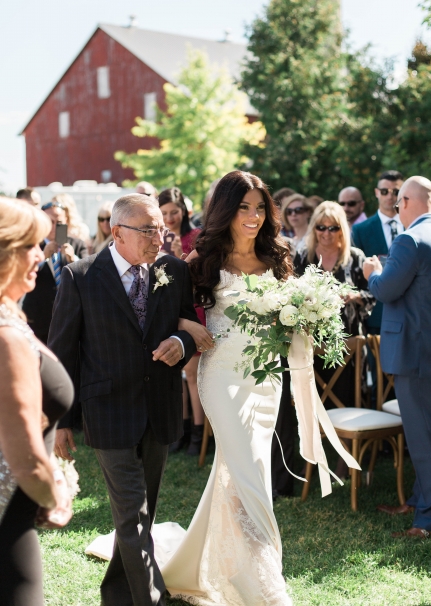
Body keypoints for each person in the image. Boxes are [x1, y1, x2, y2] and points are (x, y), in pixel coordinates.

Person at [49, 193, 199, 606]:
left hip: (159, 407)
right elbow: (61, 352)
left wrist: (180, 342)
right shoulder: (80, 276)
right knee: (132, 514)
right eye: (149, 230)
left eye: (162, 230)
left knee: (140, 515)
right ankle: (154, 599)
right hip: (107, 410)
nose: (159, 238)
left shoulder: (173, 270)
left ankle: (117, 594)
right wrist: (61, 420)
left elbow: (187, 324)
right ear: (117, 232)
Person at [160, 171, 295, 605]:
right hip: (221, 377)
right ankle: (265, 583)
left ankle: (214, 563)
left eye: (259, 208)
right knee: (248, 472)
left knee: (242, 471)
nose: (254, 216)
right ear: (226, 211)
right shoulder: (203, 259)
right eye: (244, 208)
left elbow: (287, 318)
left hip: (265, 379)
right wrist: (189, 327)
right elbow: (169, 313)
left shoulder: (277, 257)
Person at [363, 176, 431, 538]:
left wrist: (373, 272)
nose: (396, 207)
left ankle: (428, 520)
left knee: (425, 438)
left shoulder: (410, 239)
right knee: (428, 433)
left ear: (407, 201)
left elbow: (386, 289)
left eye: (398, 201)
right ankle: (423, 502)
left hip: (414, 352)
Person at [0, 197, 73, 606]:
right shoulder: (5, 337)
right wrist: (55, 493)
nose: (39, 254)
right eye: (28, 246)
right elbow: (26, 461)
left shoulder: (9, 315)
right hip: (8, 522)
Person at [295, 201, 375, 409]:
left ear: (342, 229)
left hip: (348, 340)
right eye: (321, 227)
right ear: (314, 228)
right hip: (311, 338)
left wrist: (353, 296)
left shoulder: (355, 257)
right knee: (314, 399)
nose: (326, 233)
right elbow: (291, 293)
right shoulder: (304, 256)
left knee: (347, 395)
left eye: (333, 228)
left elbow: (374, 293)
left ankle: (346, 439)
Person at [158, 187, 204, 455]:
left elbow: (195, 279)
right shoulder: (157, 238)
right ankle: (181, 429)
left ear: (184, 210)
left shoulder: (195, 237)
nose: (169, 217)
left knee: (192, 377)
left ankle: (198, 434)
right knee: (176, 375)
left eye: (174, 212)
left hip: (192, 309)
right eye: (164, 213)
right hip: (166, 312)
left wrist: (178, 257)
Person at [352, 170, 404, 393]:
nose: (390, 196)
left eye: (396, 191)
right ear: (376, 193)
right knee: (380, 383)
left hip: (409, 314)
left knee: (405, 380)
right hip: (378, 315)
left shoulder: (412, 225)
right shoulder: (362, 229)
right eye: (385, 191)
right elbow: (358, 278)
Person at [22, 201, 88, 343]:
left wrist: (73, 259)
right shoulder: (31, 244)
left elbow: (89, 277)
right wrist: (42, 257)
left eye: (58, 222)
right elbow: (21, 273)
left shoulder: (77, 244)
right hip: (38, 317)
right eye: (49, 222)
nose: (53, 227)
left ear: (66, 222)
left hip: (70, 317)